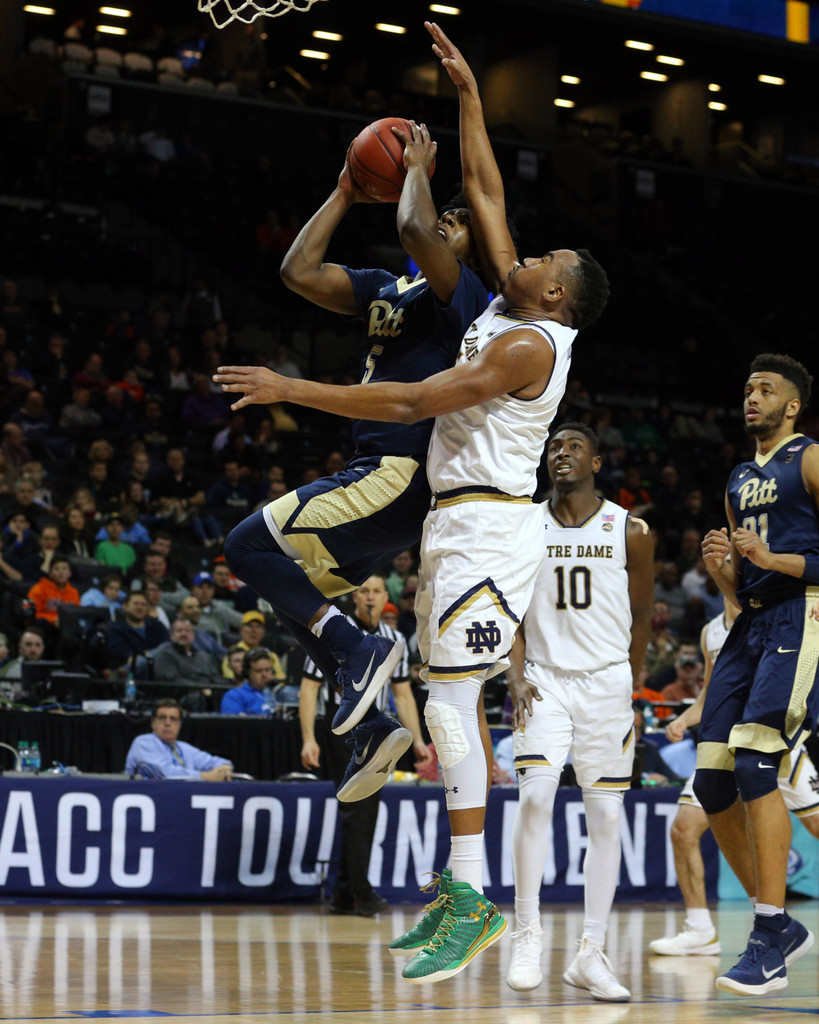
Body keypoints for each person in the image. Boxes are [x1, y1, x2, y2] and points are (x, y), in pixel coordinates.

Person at [214, 21, 608, 983]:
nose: (519, 254)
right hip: (451, 521)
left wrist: (294, 388)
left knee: (457, 710)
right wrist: (470, 92)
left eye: (537, 261)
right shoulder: (509, 307)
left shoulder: (526, 346)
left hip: (490, 526)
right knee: (443, 715)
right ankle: (463, 897)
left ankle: (471, 902)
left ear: (554, 296)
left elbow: (412, 401)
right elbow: (484, 186)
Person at [216, 109, 489, 799]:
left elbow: (409, 227)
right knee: (295, 593)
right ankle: (370, 725)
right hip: (383, 480)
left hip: (397, 471)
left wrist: (419, 171)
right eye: (443, 217)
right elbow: (297, 270)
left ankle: (363, 652)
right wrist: (343, 189)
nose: (442, 225)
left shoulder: (467, 298)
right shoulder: (387, 291)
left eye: (455, 224)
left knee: (246, 548)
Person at [500, 424, 653, 1000]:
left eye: (572, 447)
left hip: (607, 684)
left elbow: (642, 615)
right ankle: (528, 933)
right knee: (535, 797)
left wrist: (627, 682)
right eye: (552, 447)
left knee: (607, 817)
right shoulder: (523, 524)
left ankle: (592, 953)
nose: (559, 454)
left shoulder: (631, 531)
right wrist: (513, 672)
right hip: (542, 680)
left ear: (597, 458)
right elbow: (510, 608)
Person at [695, 353, 819, 995]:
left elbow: (789, 561)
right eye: (747, 387)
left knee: (756, 765)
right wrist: (727, 573)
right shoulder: (739, 476)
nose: (752, 395)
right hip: (754, 624)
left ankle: (768, 930)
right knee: (712, 779)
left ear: (792, 405)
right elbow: (743, 586)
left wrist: (774, 557)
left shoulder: (810, 458)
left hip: (805, 617)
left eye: (766, 389)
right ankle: (780, 925)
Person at [651, 599, 819, 958]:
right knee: (683, 830)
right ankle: (700, 929)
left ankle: (774, 921)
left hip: (772, 743)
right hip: (721, 743)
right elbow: (712, 690)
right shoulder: (710, 631)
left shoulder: (770, 615)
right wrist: (685, 720)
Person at [300, 573, 433, 915]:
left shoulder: (394, 637)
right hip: (342, 731)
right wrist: (308, 738)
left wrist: (418, 739)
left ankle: (344, 892)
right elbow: (309, 688)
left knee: (360, 812)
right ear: (354, 596)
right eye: (364, 591)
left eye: (376, 591)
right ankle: (361, 893)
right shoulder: (332, 628)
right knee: (358, 811)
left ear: (384, 596)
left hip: (379, 732)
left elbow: (403, 694)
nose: (371, 597)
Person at [125, 699, 233, 780]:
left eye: (173, 719)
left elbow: (214, 761)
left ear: (179, 724)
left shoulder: (184, 748)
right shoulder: (143, 742)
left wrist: (225, 768)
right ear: (153, 723)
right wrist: (205, 776)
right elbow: (165, 773)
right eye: (162, 718)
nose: (167, 723)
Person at [153, 619, 219, 710]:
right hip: (178, 698)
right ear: (171, 635)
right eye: (179, 631)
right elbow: (171, 680)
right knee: (196, 697)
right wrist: (200, 689)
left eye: (188, 631)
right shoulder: (165, 654)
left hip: (206, 693)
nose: (184, 634)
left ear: (193, 635)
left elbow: (214, 677)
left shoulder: (203, 656)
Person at [220, 647, 276, 715]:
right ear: (247, 672)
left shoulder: (280, 693)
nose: (264, 675)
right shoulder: (234, 696)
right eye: (258, 671)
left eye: (267, 670)